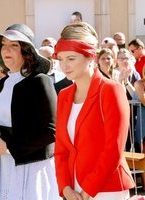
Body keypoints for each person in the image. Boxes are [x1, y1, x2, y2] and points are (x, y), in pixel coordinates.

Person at [53, 22, 135, 200]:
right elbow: (60, 148)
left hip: (108, 189)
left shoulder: (111, 89)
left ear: (90, 57)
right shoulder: (64, 95)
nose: (64, 65)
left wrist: (88, 190)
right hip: (74, 190)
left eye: (71, 58)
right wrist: (65, 188)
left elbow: (113, 149)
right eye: (60, 59)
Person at [0, 23, 60, 200]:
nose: (6, 49)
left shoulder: (40, 81)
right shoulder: (1, 84)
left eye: (14, 45)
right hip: (3, 166)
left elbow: (51, 132)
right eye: (4, 45)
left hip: (32, 167)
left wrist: (8, 147)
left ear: (26, 51)